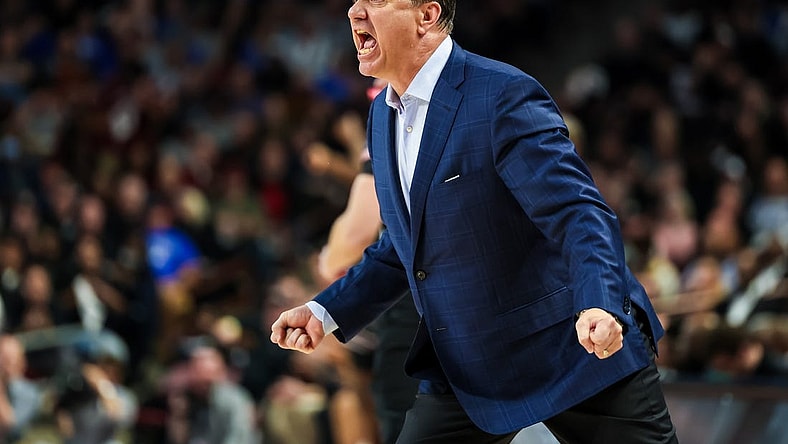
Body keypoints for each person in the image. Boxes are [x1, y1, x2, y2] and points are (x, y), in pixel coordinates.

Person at [272, 1, 678, 443]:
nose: (355, 12)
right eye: (355, 1)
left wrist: (598, 300)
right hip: (470, 362)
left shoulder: (500, 94)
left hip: (572, 345)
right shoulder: (382, 115)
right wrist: (324, 311)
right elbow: (403, 246)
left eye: (377, 1)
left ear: (426, 16)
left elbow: (579, 212)